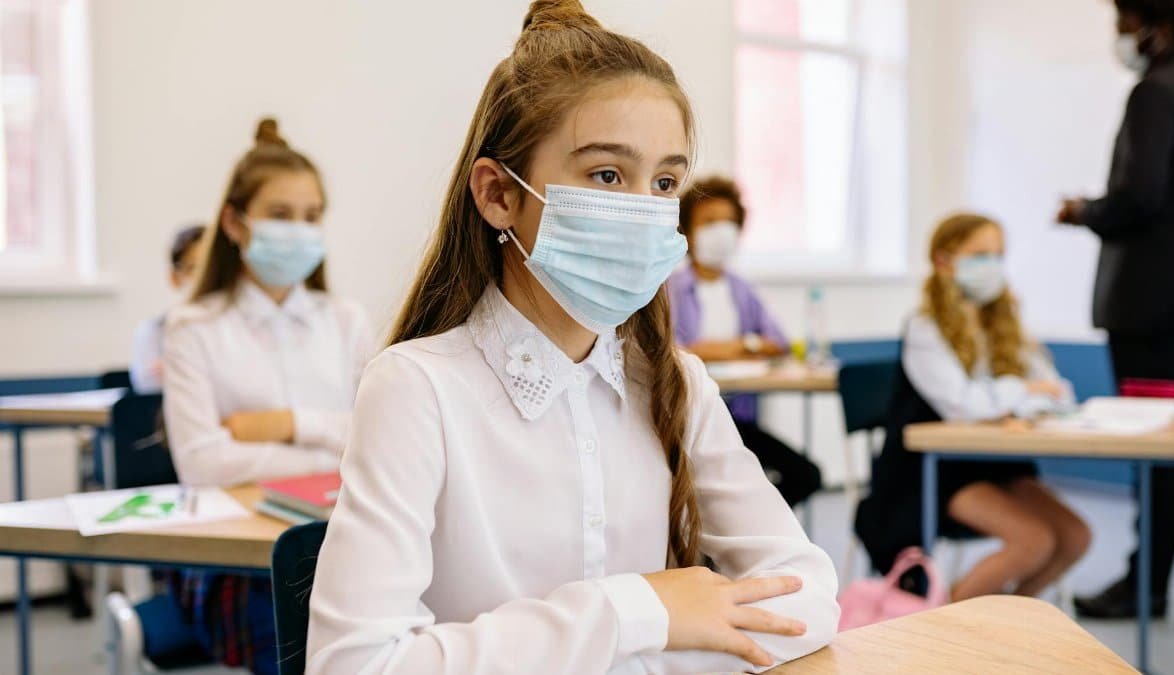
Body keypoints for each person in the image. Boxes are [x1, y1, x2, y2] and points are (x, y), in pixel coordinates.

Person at [306, 3, 840, 673]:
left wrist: (642, 647)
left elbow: (809, 597)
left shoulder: (676, 382)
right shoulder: (416, 389)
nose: (645, 210)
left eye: (666, 182)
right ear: (499, 194)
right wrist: (640, 611)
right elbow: (355, 664)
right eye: (608, 176)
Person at [161, 118, 372, 674]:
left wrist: (282, 423)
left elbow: (378, 442)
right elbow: (203, 464)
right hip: (238, 564)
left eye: (311, 216)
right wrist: (335, 436)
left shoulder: (346, 321)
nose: (299, 231)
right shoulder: (192, 328)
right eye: (280, 215)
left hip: (343, 541)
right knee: (293, 642)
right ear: (234, 222)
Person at [855, 214, 1091, 601]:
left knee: (1075, 537)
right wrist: (1023, 391)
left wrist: (1011, 395)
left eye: (998, 254)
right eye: (980, 254)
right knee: (1032, 541)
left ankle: (1010, 621)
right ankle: (948, 629)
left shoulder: (1004, 323)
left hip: (999, 464)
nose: (992, 264)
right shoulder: (925, 327)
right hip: (933, 473)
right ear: (943, 260)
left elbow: (1059, 394)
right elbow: (962, 405)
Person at [1057, 0, 1174, 619]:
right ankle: (1150, 582)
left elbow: (1139, 196)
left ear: (1152, 22)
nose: (1117, 34)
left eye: (1121, 20)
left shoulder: (1156, 91)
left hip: (1151, 310)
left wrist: (1084, 211)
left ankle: (1146, 586)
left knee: (1154, 452)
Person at [668, 176, 822, 508]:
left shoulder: (740, 289)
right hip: (688, 424)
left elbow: (777, 343)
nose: (721, 230)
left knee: (806, 475)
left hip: (738, 421)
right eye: (709, 222)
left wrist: (731, 346)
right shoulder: (670, 289)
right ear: (687, 231)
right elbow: (677, 350)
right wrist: (746, 344)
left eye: (728, 222)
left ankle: (741, 536)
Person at [129, 224, 206, 394]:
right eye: (194, 268)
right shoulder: (155, 331)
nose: (205, 278)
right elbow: (149, 388)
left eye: (211, 268)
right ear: (174, 277)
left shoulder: (246, 325)